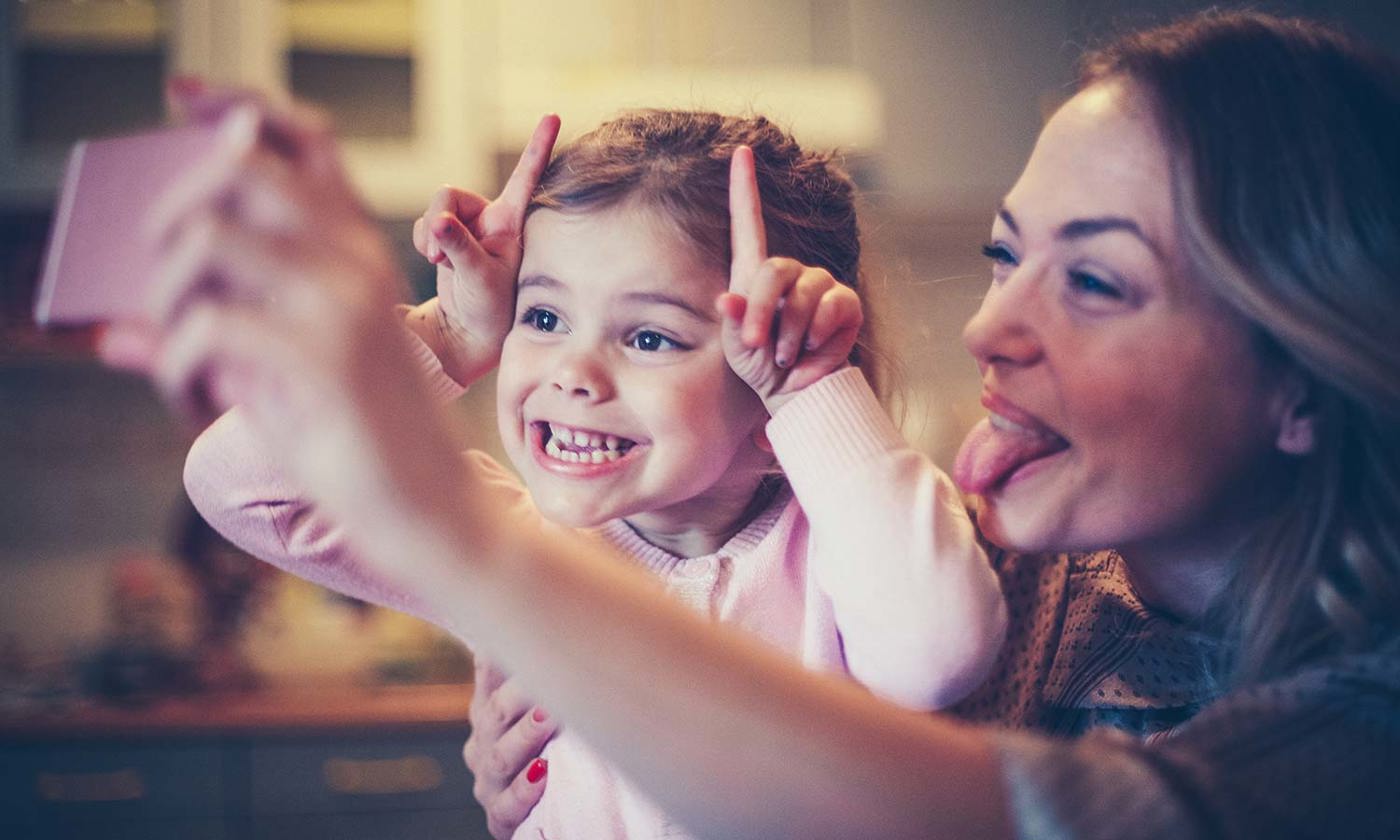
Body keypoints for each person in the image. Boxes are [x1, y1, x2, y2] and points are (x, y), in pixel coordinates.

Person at [101, 9, 1400, 838]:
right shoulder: (1018, 565)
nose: (987, 327)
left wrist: (456, 533)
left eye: (1099, 281)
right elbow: (240, 482)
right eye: (1003, 257)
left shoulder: (1349, 728)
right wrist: (444, 335)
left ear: (1306, 372)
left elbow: (946, 676)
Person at [171, 107, 1007, 837]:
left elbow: (938, 652)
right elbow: (235, 479)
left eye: (648, 336)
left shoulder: (853, 553)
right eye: (541, 316)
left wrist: (813, 394)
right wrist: (451, 336)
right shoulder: (501, 550)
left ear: (773, 387)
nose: (572, 372)